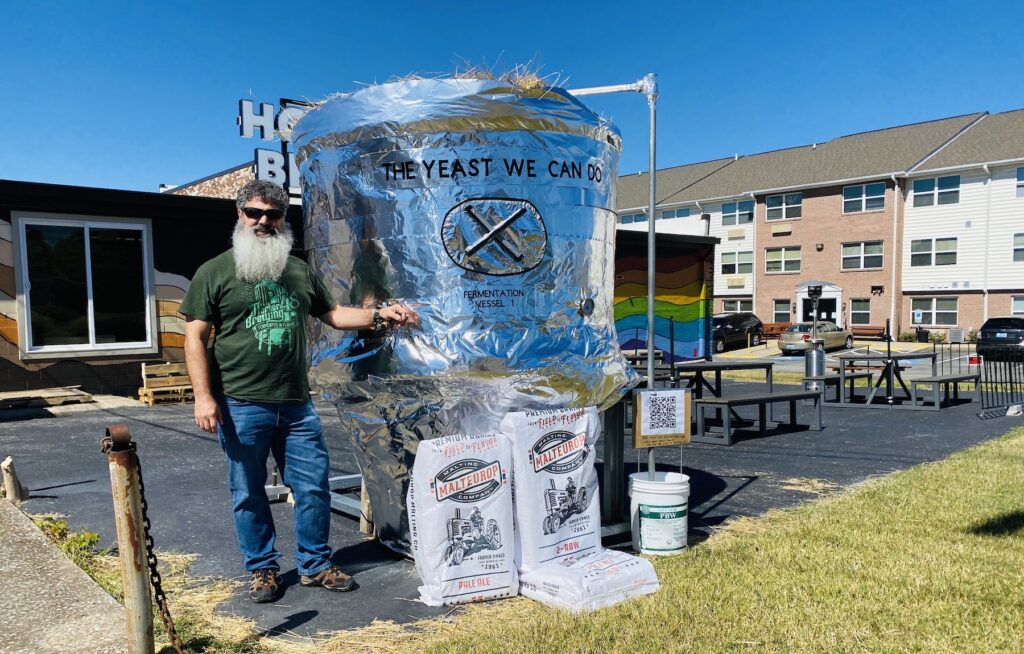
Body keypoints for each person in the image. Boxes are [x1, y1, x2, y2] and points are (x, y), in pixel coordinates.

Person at [180, 180, 417, 603]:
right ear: (239, 215)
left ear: (283, 221)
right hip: (240, 403)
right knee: (249, 492)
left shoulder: (297, 270)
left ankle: (314, 564)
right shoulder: (214, 272)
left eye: (273, 215)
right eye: (254, 212)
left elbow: (336, 315)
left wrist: (382, 315)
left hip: (296, 405)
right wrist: (203, 396)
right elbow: (194, 337)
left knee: (312, 488)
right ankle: (263, 570)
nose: (263, 221)